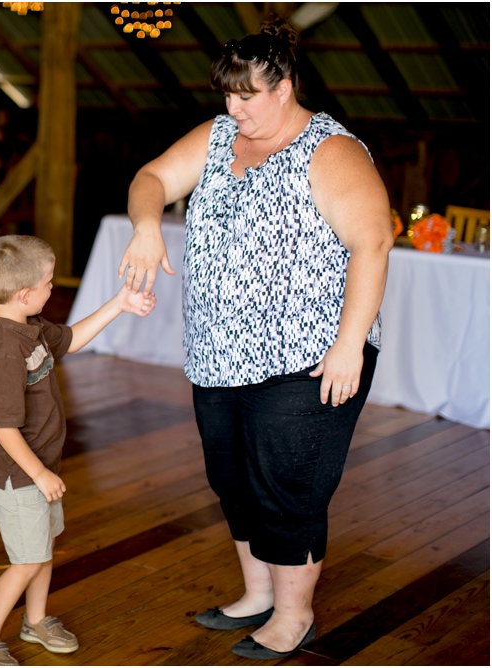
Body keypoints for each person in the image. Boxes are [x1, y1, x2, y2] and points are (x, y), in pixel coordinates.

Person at [120, 17, 392, 661]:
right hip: (219, 353)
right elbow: (149, 179)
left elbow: (373, 242)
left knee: (285, 484)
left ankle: (294, 617)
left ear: (285, 87)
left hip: (310, 355)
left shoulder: (330, 150)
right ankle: (257, 594)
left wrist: (349, 345)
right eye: (227, 95)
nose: (233, 107)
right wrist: (146, 225)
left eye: (247, 95)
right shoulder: (218, 138)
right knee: (232, 478)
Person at [0, 235, 156, 666]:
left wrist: (119, 304)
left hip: (39, 465)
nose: (53, 289)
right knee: (26, 560)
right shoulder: (3, 352)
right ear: (24, 293)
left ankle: (35, 620)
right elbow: (4, 427)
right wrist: (39, 474)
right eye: (49, 282)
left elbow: (68, 340)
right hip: (18, 473)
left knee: (42, 548)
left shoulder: (27, 324)